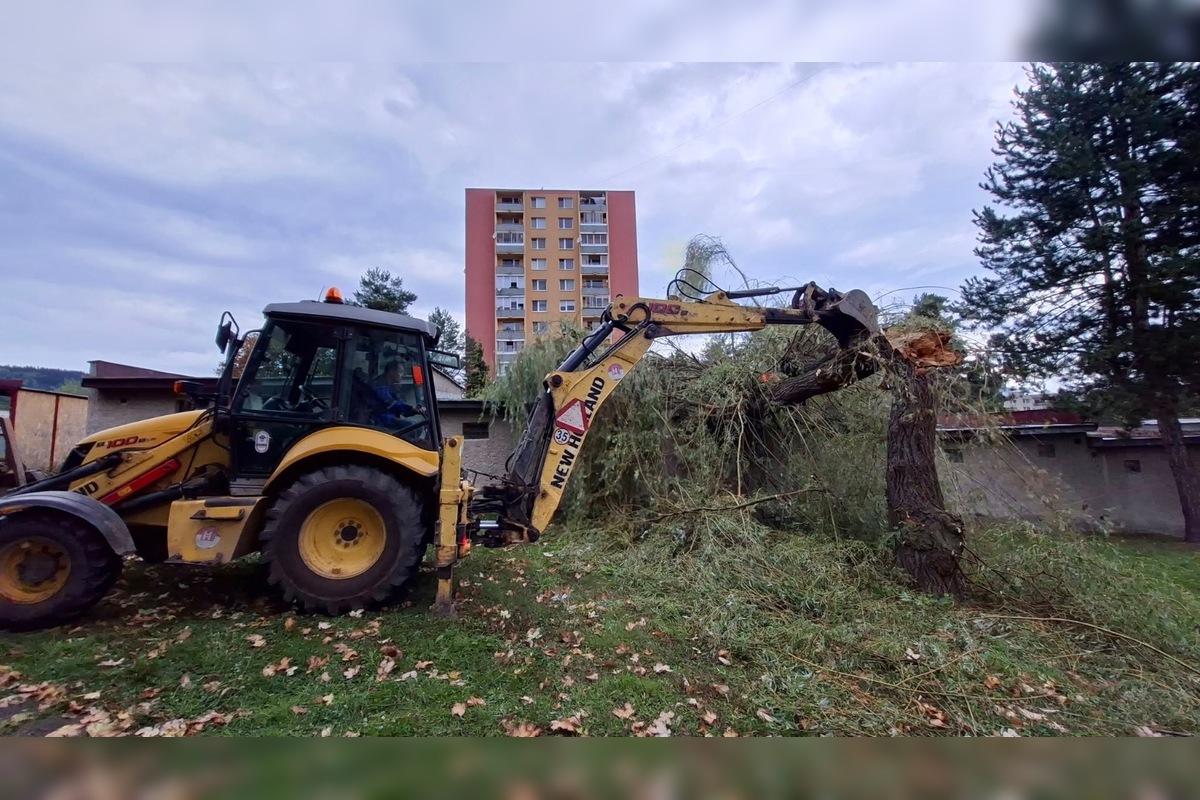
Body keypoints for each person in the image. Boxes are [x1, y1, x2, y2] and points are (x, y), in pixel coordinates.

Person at [371, 361, 426, 427]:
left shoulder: (393, 386)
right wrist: (410, 408)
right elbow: (392, 404)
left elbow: (402, 407)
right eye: (400, 372)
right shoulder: (379, 386)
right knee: (415, 427)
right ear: (392, 371)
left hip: (390, 418)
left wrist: (415, 409)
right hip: (379, 420)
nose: (402, 375)